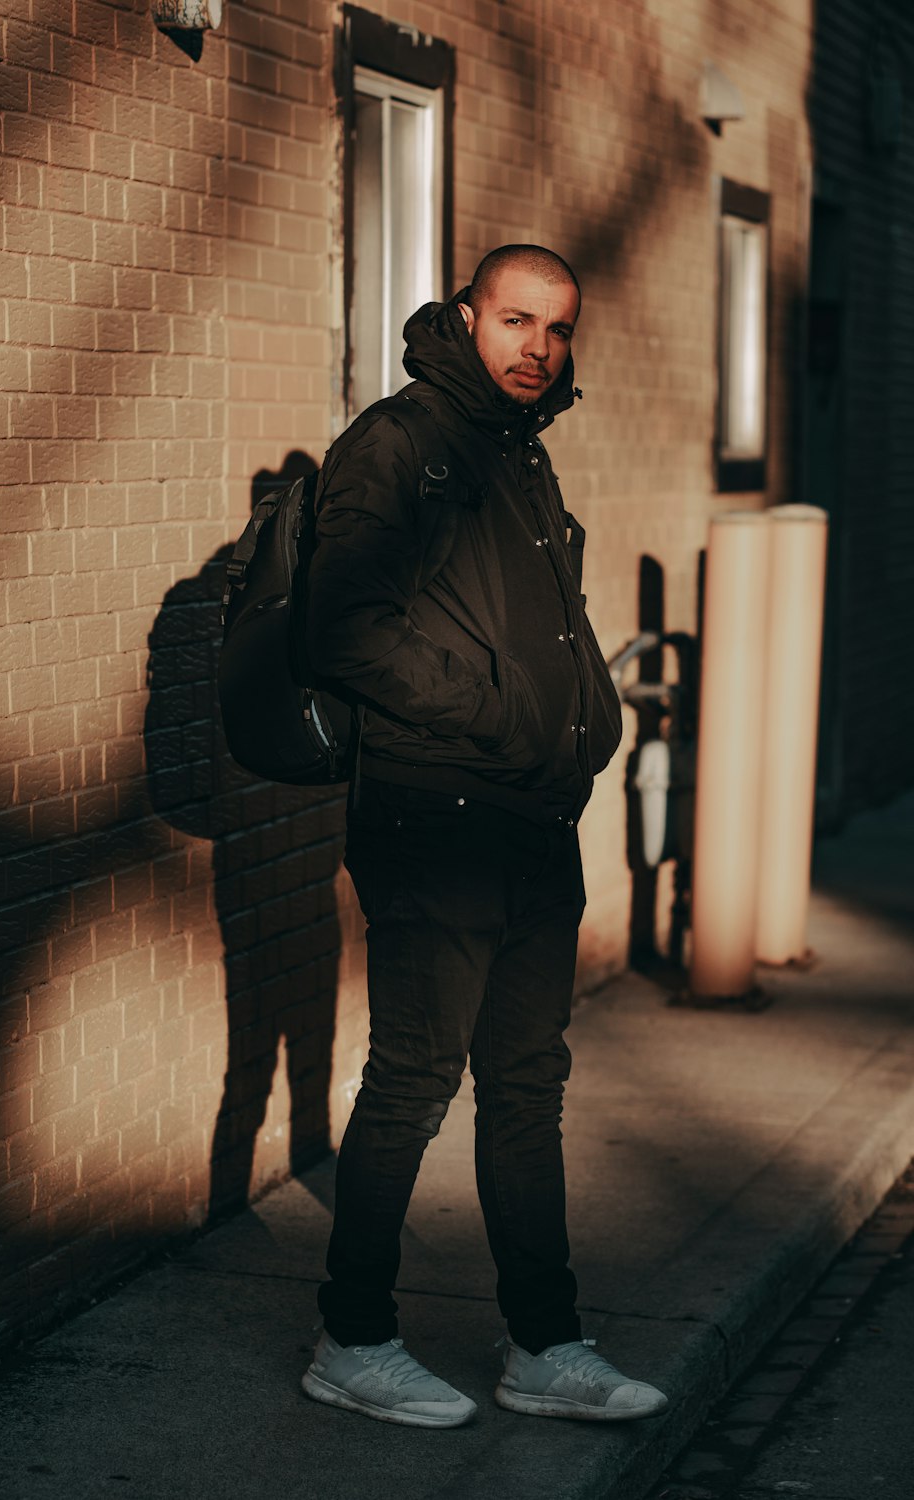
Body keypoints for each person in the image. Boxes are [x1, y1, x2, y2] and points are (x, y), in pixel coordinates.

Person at [300, 245, 668, 1428]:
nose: (537, 349)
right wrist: (508, 715)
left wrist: (584, 720)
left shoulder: (518, 450)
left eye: (556, 330)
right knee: (414, 1079)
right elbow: (345, 629)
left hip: (525, 814)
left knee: (527, 1085)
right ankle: (351, 1337)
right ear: (466, 318)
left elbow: (539, 622)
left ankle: (544, 1346)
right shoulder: (400, 442)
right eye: (516, 321)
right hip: (433, 812)